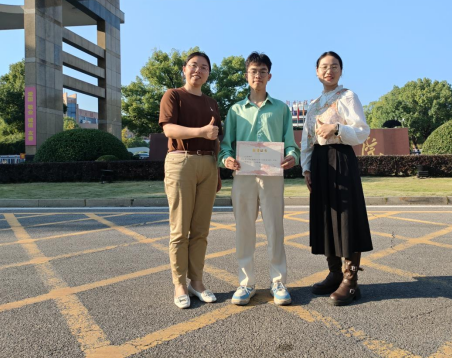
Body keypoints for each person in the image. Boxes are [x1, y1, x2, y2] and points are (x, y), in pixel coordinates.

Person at [219, 52, 300, 306]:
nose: (258, 75)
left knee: (275, 228)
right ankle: (246, 283)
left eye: (262, 71)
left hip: (272, 176)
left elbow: (291, 144)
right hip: (243, 176)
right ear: (246, 76)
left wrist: (292, 157)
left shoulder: (281, 109)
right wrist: (227, 160)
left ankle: (278, 281)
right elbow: (225, 147)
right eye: (253, 71)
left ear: (269, 76)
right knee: (244, 229)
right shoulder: (235, 110)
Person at [301, 51, 373, 306]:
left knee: (346, 217)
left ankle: (350, 280)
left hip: (341, 159)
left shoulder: (348, 96)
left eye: (334, 66)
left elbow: (362, 131)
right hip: (320, 162)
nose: (329, 71)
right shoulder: (313, 104)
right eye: (324, 67)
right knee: (326, 217)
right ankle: (334, 274)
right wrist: (306, 169)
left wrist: (337, 128)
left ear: (341, 71)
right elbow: (307, 139)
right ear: (317, 72)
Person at [159, 52, 222, 309]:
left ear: (208, 74)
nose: (198, 70)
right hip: (181, 161)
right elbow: (168, 129)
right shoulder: (173, 95)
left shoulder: (212, 103)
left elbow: (216, 138)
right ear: (184, 69)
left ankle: (197, 282)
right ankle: (179, 284)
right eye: (194, 65)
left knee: (200, 230)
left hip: (208, 164)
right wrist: (201, 132)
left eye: (204, 67)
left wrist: (217, 171)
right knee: (179, 229)